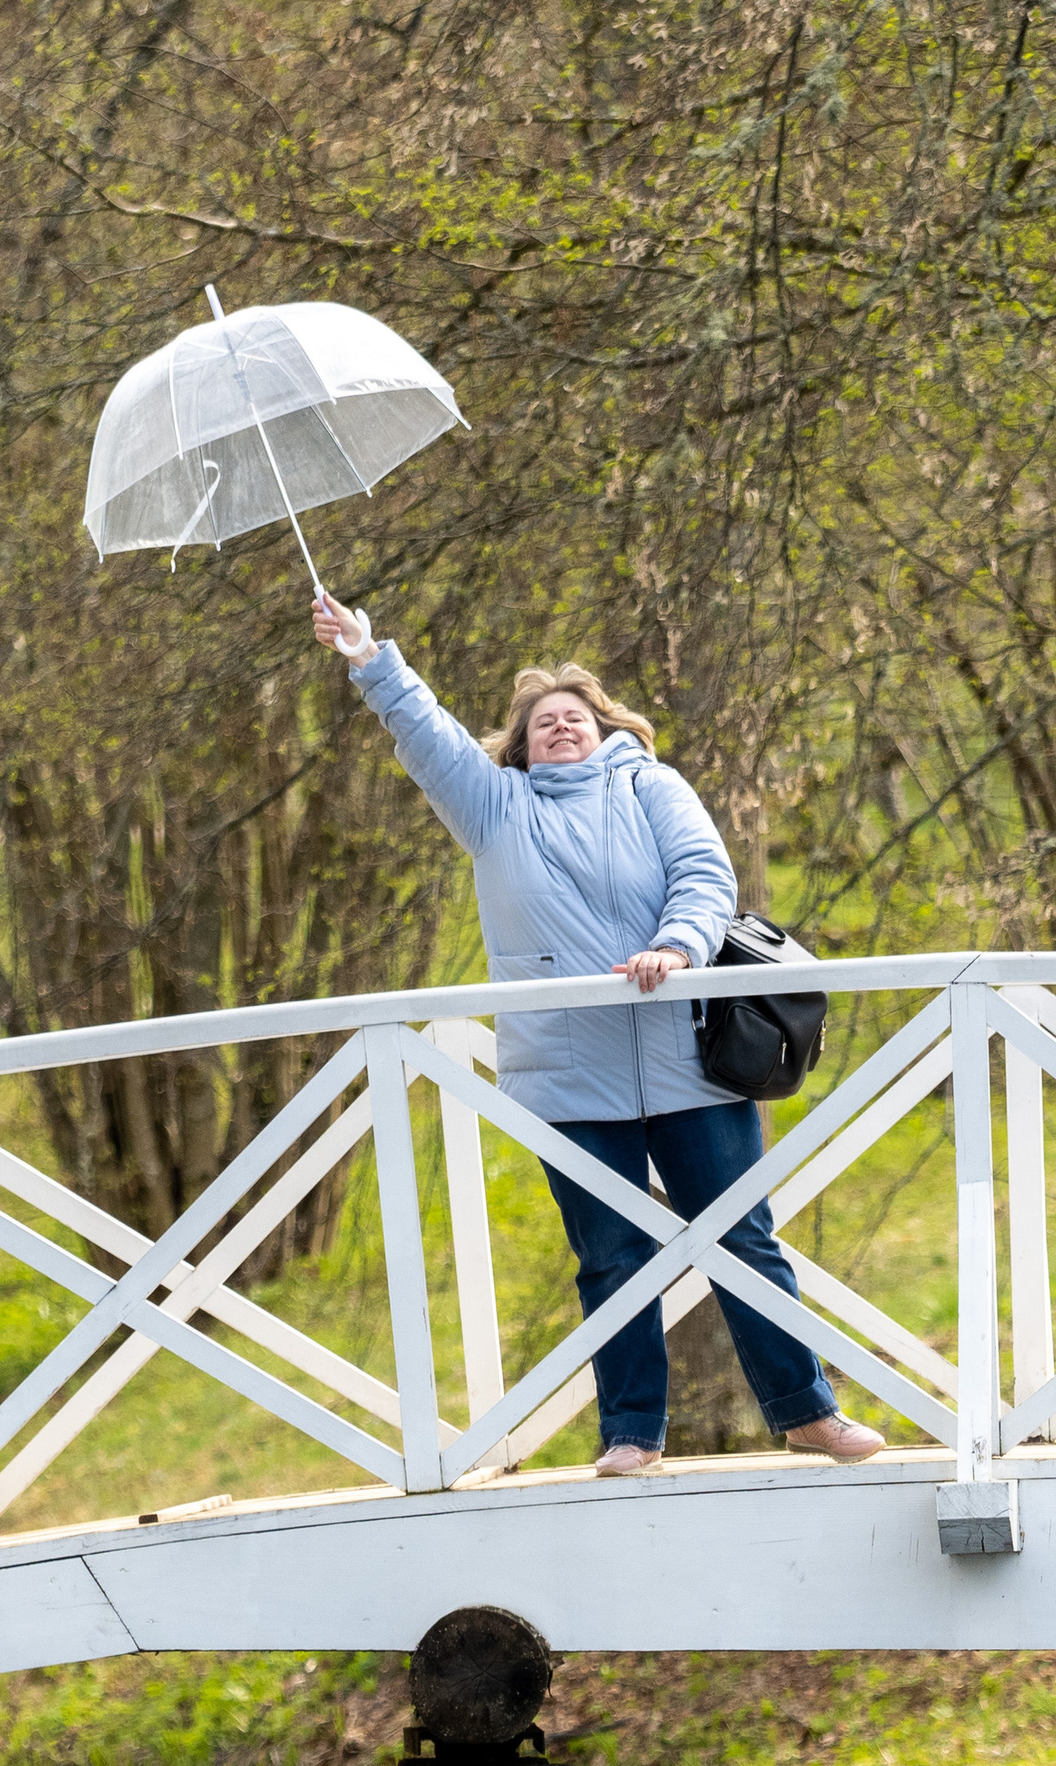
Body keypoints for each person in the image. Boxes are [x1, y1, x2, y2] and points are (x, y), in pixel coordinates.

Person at [313, 590, 885, 1477]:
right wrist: (369, 656)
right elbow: (429, 739)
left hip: (688, 1063)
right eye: (542, 722)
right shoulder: (494, 809)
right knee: (612, 1257)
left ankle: (809, 1414)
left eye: (573, 716)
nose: (559, 728)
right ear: (520, 744)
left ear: (604, 725)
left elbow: (704, 876)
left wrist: (676, 946)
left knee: (742, 1237)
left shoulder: (652, 784)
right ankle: (631, 1434)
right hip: (570, 1081)